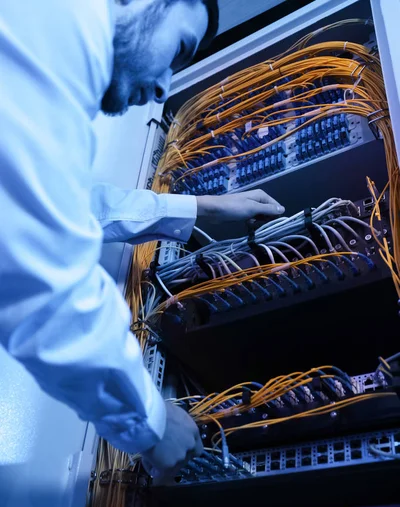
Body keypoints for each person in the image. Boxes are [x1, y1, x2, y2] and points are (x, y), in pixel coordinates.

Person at [0, 0, 285, 479]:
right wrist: (150, 422)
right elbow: (46, 279)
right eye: (179, 49)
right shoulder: (63, 28)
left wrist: (204, 206)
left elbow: (73, 205)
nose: (162, 88)